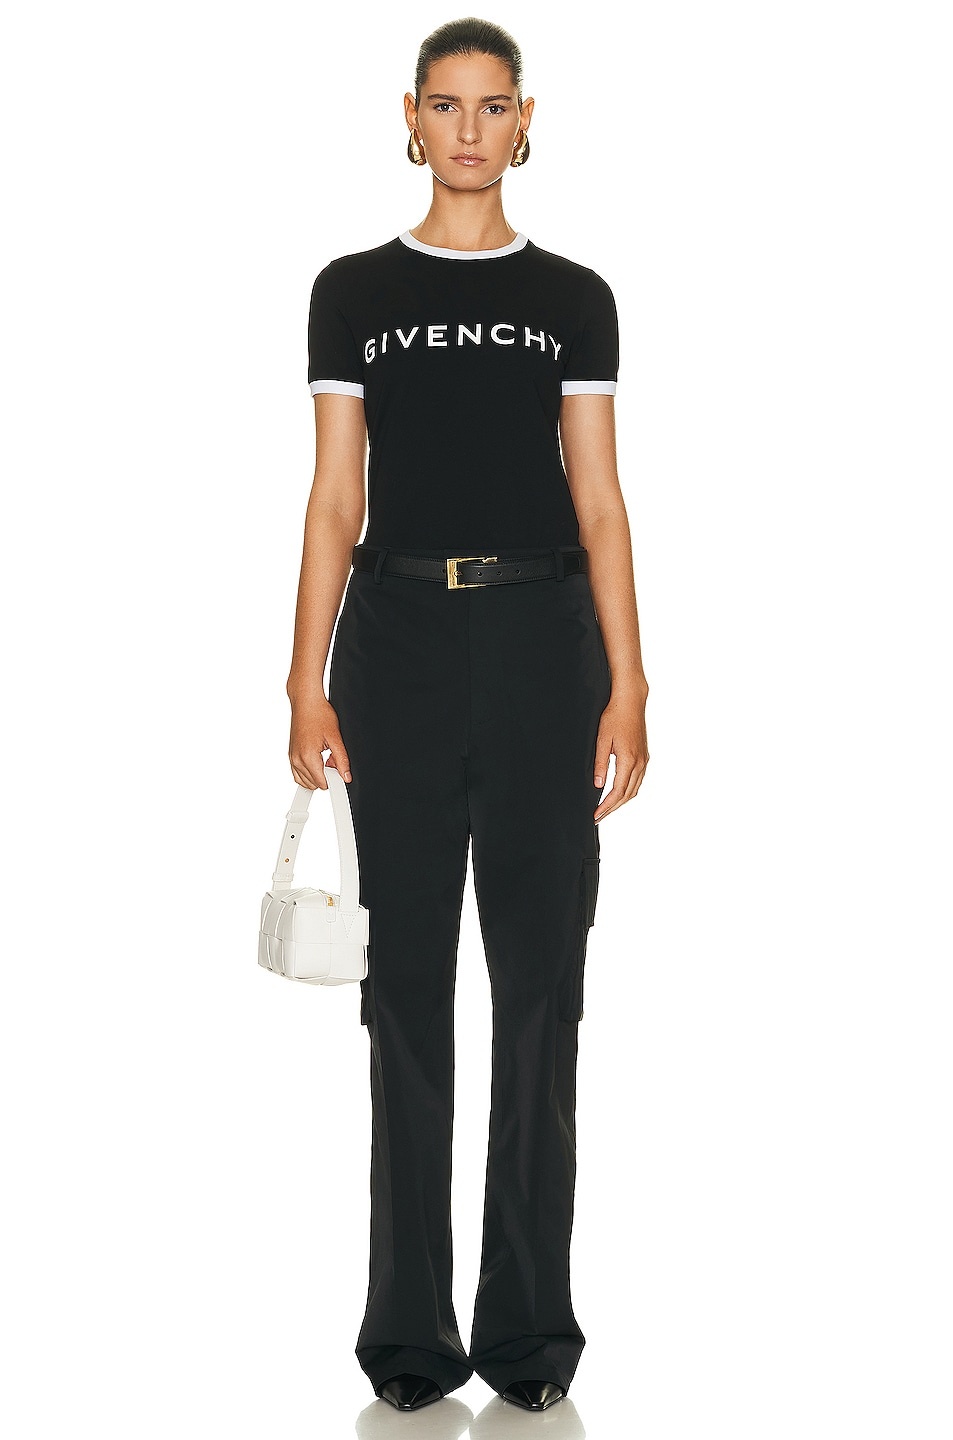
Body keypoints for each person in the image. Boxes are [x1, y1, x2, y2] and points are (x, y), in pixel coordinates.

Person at [285, 16, 650, 1415]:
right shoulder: (352, 292)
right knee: (406, 994)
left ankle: (530, 1336)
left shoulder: (573, 299)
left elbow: (599, 500)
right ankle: (410, 1340)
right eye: (446, 106)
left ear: (525, 121)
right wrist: (304, 674)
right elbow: (335, 495)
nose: (468, 131)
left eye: (493, 108)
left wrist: (629, 679)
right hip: (399, 646)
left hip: (544, 642)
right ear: (410, 116)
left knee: (542, 990)